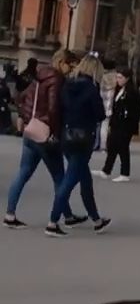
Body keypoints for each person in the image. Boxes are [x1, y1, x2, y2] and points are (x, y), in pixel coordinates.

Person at [47, 52, 112, 236]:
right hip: (83, 139)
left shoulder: (67, 85)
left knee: (85, 180)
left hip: (66, 136)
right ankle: (52, 222)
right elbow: (100, 114)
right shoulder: (92, 88)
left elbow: (59, 108)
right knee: (69, 182)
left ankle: (97, 220)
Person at [3, 51, 69, 229]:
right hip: (45, 132)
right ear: (62, 62)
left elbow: (20, 98)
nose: (70, 69)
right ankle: (60, 218)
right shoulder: (56, 78)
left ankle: (10, 214)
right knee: (59, 177)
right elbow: (54, 107)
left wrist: (25, 119)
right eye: (69, 65)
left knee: (23, 172)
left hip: (31, 130)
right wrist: (55, 131)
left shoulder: (38, 77)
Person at [100, 66, 140, 182]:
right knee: (112, 146)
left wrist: (127, 117)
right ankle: (106, 170)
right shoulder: (119, 90)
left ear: (127, 78)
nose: (118, 80)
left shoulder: (131, 92)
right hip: (116, 123)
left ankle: (125, 173)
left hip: (125, 125)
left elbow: (134, 109)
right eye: (117, 77)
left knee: (123, 148)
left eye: (120, 77)